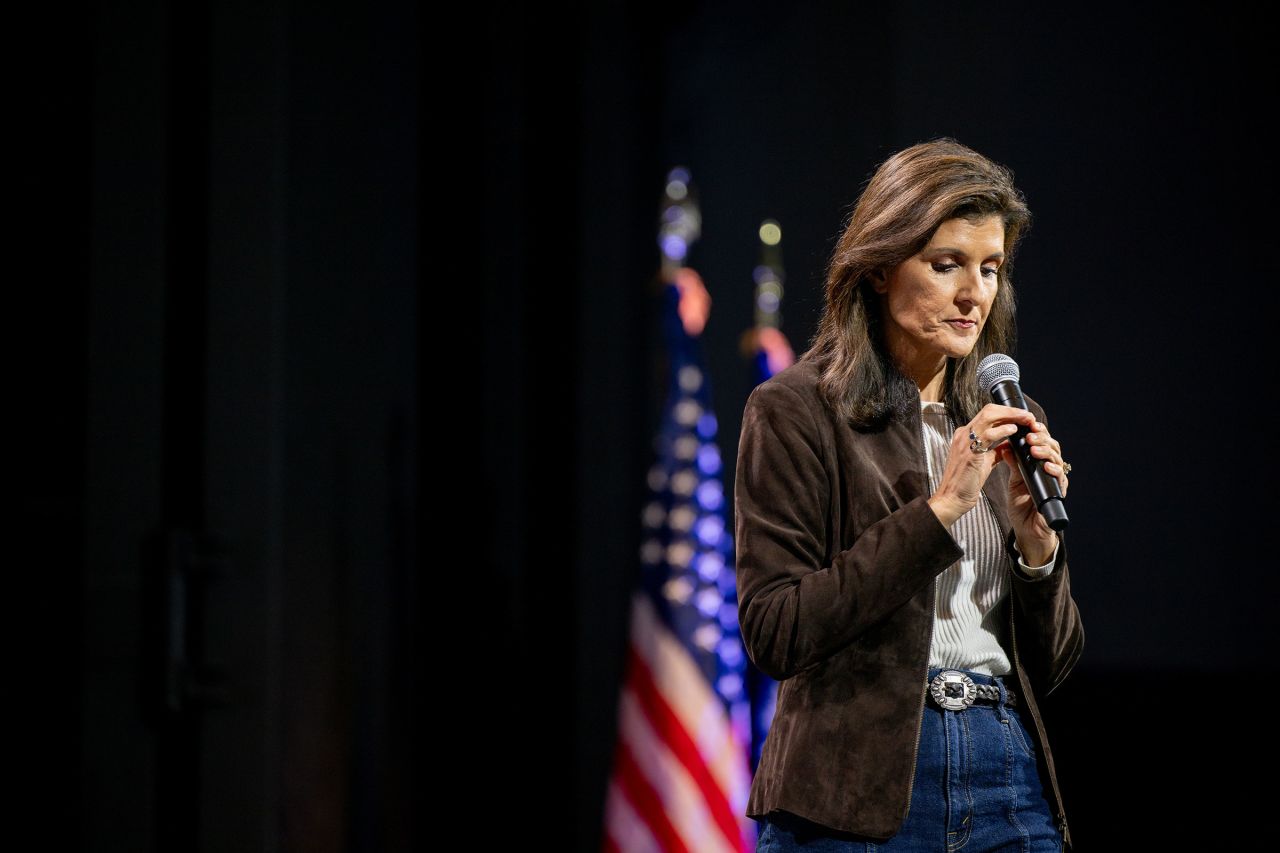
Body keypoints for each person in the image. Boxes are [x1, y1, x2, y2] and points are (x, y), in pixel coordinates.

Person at [733, 137, 1084, 852]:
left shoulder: (1011, 418)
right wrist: (939, 512)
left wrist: (1037, 552)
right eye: (947, 264)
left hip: (1005, 772)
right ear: (881, 268)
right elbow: (776, 629)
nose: (973, 294)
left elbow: (1052, 664)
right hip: (856, 783)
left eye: (989, 269)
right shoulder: (796, 409)